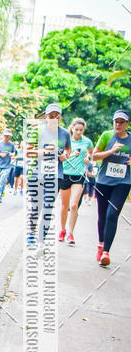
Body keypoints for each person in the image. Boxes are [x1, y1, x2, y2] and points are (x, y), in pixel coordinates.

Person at [26, 103, 71, 249]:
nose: (54, 118)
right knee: (36, 207)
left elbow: (68, 150)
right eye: (51, 116)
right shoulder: (37, 131)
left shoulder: (65, 133)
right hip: (37, 174)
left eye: (57, 116)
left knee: (48, 207)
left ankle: (41, 241)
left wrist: (65, 155)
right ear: (46, 116)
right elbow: (28, 152)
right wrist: (45, 151)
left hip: (55, 175)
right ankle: (31, 233)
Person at [92, 109, 131, 267]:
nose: (118, 124)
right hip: (103, 182)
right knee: (102, 215)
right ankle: (101, 244)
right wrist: (112, 151)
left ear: (127, 124)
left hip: (123, 182)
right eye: (116, 121)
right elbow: (94, 156)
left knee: (112, 214)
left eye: (122, 122)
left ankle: (106, 253)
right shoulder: (107, 135)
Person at [59, 117, 92, 244]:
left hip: (79, 175)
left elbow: (91, 153)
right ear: (72, 128)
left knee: (74, 205)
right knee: (65, 206)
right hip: (65, 174)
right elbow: (61, 157)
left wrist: (88, 158)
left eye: (81, 130)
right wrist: (71, 155)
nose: (78, 132)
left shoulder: (87, 142)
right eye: (76, 129)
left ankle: (71, 234)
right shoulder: (66, 140)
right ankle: (62, 230)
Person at [0, 129, 17, 202]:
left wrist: (12, 154)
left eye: (8, 136)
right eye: (5, 135)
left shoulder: (11, 145)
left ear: (10, 137)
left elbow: (14, 152)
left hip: (7, 166)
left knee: (2, 180)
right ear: (3, 136)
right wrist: (0, 154)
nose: (6, 137)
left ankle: (0, 195)